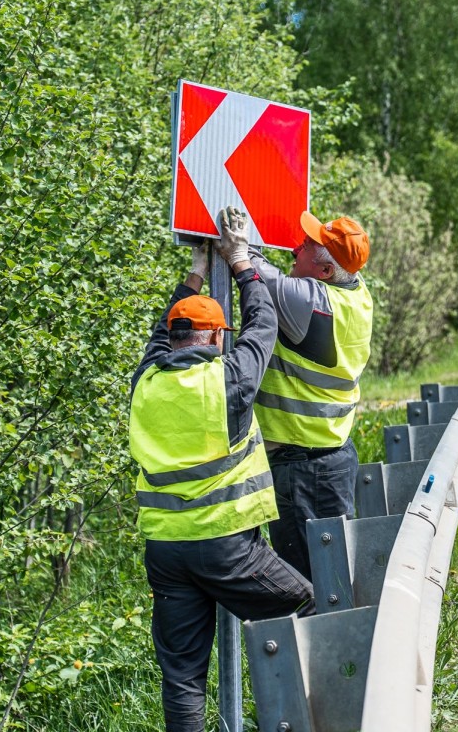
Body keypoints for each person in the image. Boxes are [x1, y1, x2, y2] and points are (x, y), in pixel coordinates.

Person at [128, 208, 315, 732]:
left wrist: (195, 270)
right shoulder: (228, 382)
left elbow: (158, 334)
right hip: (227, 547)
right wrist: (240, 262)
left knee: (183, 675)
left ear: (173, 338)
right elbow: (264, 324)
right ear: (214, 339)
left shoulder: (145, 382)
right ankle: (288, 719)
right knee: (300, 603)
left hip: (166, 551)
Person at [246, 209, 374, 580]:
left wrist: (242, 239)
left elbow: (249, 263)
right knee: (327, 578)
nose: (294, 250)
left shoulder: (311, 303)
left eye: (304, 247)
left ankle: (326, 641)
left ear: (325, 272)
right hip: (326, 460)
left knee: (309, 585)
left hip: (305, 470)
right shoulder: (356, 293)